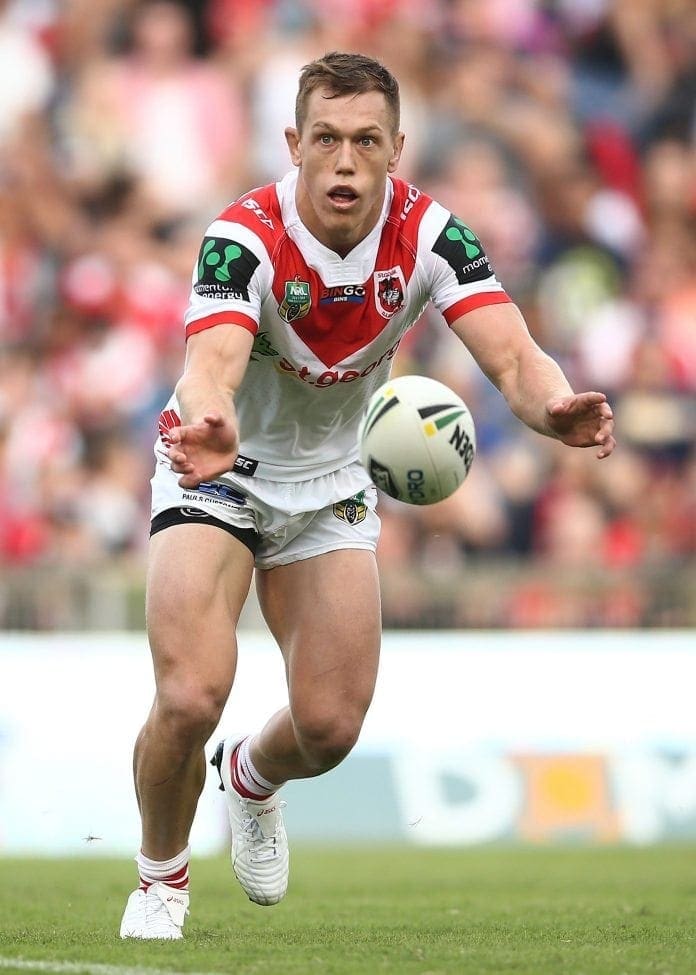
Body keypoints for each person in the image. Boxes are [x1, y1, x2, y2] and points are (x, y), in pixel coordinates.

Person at [119, 51, 616, 939]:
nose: (344, 161)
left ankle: (250, 777)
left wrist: (553, 406)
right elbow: (209, 366)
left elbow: (512, 355)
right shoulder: (243, 236)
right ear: (293, 144)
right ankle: (161, 880)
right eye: (325, 139)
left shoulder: (433, 237)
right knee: (191, 694)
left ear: (396, 148)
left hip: (333, 483)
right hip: (220, 465)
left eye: (364, 141)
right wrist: (212, 421)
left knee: (331, 725)